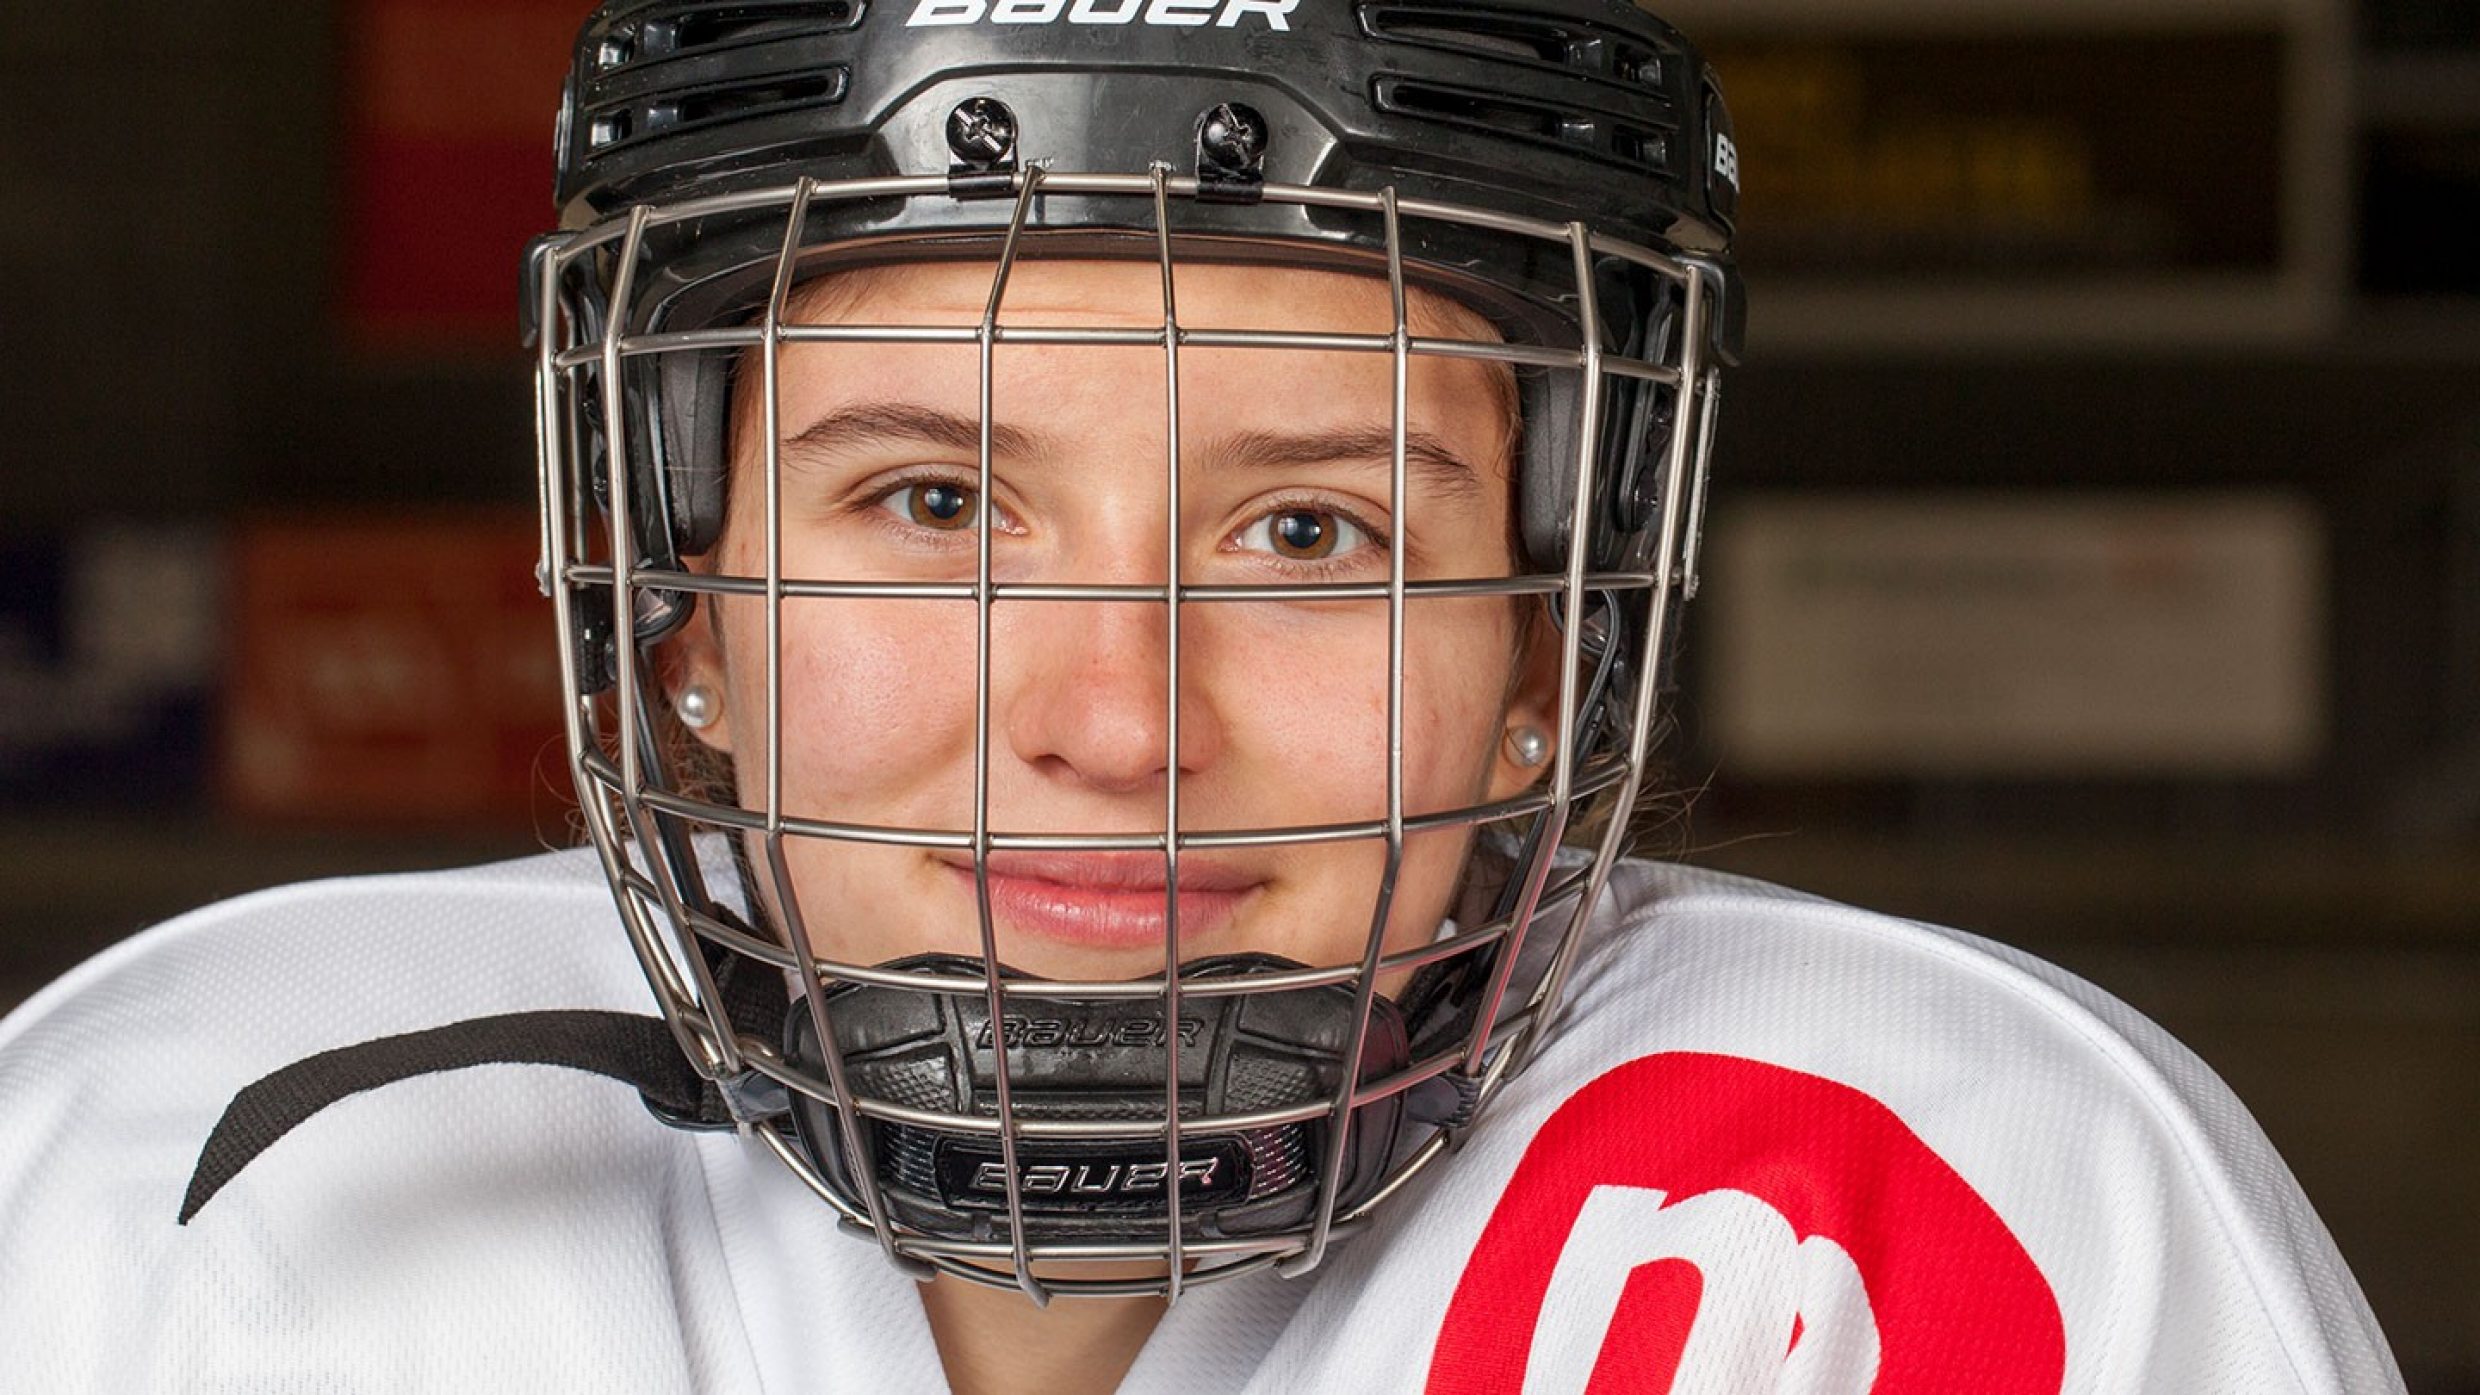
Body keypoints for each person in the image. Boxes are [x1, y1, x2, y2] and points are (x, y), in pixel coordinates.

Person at [0, 1, 2405, 1391]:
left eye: (1308, 530)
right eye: (934, 505)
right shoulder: (185, 1148)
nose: (1116, 722)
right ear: (689, 604)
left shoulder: (1957, 1180)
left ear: (1535, 648)